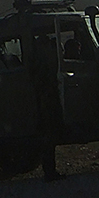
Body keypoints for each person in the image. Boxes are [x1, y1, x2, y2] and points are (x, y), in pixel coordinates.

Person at [32, 34, 66, 181]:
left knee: (48, 138)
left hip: (46, 101)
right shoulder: (43, 63)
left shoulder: (39, 61)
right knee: (48, 138)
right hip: (46, 102)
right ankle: (49, 171)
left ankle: (50, 170)